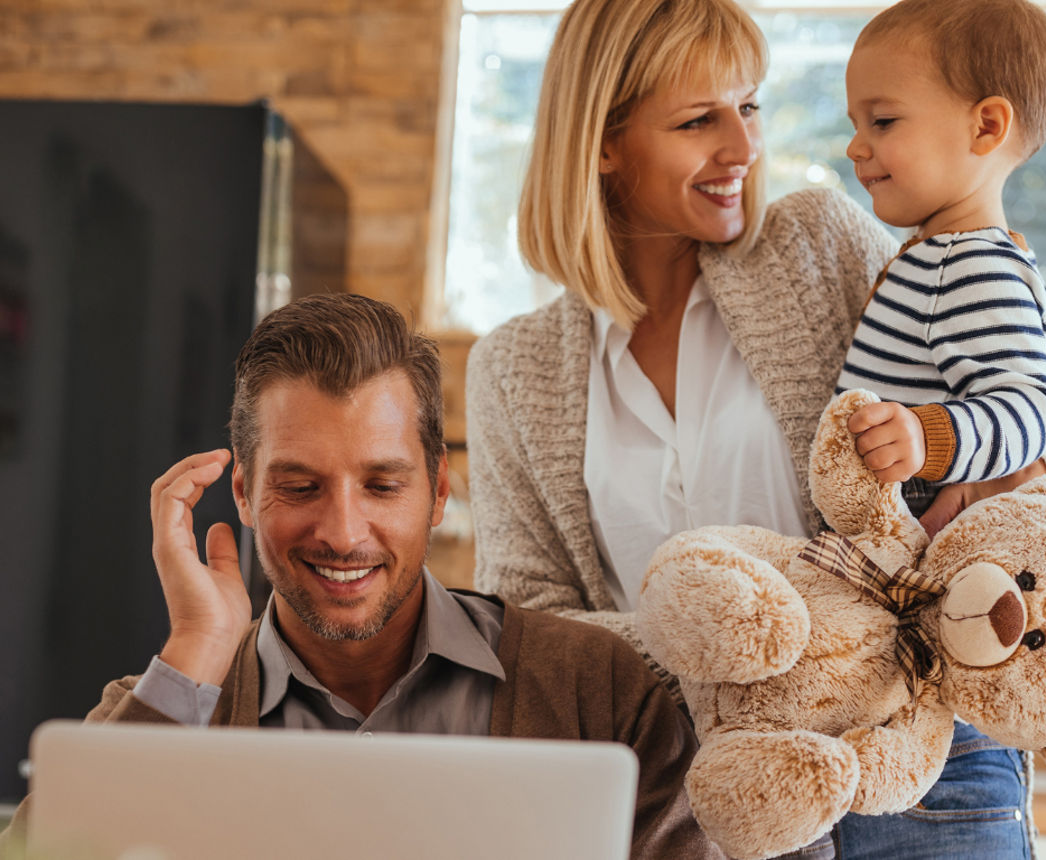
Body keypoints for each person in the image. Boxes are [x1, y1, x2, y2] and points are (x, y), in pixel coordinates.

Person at [466, 0, 1046, 857]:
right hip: (699, 802)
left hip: (918, 776)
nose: (744, 147)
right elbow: (526, 631)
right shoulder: (513, 368)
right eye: (697, 120)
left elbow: (1034, 449)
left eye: (748, 106)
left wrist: (969, 481)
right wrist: (749, 657)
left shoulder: (817, 247)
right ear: (603, 142)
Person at [0, 293, 720, 860]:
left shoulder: (598, 690)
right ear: (245, 495)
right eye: (301, 486)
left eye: (382, 485)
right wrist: (196, 646)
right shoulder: (161, 707)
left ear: (439, 493)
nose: (343, 534)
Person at [836, 0, 1046, 519]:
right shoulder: (941, 256)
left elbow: (1031, 411)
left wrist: (926, 435)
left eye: (883, 121)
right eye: (856, 123)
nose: (856, 146)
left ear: (986, 126)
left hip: (932, 553)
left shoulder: (971, 267)